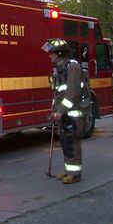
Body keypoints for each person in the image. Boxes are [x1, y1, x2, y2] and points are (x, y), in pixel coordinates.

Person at [42, 38, 84, 184]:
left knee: (73, 143)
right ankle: (68, 170)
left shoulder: (72, 68)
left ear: (59, 53)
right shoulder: (60, 69)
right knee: (66, 142)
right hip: (64, 114)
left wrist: (60, 110)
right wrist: (55, 110)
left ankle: (75, 174)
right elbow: (58, 94)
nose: (49, 56)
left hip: (72, 114)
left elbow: (72, 93)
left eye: (52, 53)